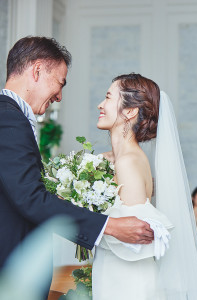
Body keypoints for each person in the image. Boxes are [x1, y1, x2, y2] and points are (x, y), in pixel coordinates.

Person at [0, 37, 153, 294]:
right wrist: (111, 226)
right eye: (60, 83)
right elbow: (30, 198)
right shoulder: (9, 118)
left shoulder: (10, 117)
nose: (59, 96)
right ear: (37, 70)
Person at [92, 73, 197, 299]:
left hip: (126, 283)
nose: (100, 104)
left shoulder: (128, 162)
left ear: (130, 111)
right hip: (113, 274)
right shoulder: (114, 160)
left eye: (108, 97)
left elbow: (136, 237)